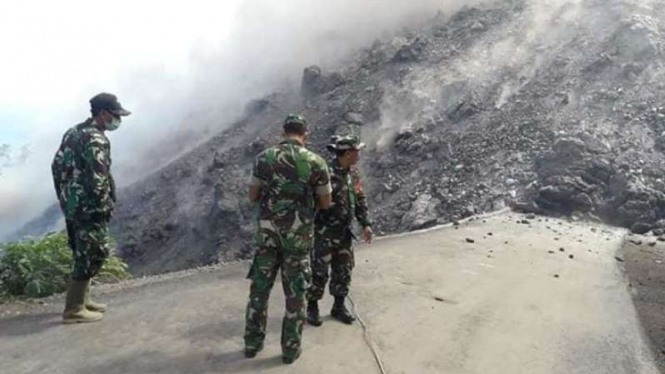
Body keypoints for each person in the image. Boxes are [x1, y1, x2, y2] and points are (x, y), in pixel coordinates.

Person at [244, 114, 332, 364]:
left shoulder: (263, 158)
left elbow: (252, 195)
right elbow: (325, 202)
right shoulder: (317, 162)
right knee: (295, 296)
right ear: (306, 133)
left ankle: (252, 343)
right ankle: (290, 350)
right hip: (298, 240)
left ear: (283, 132)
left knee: (259, 291)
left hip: (268, 238)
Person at [51, 92, 130, 323]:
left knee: (81, 250)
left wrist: (65, 197)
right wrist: (103, 205)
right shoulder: (96, 139)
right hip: (89, 207)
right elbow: (98, 178)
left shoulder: (74, 132)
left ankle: (84, 300)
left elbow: (56, 166)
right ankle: (74, 309)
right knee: (94, 252)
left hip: (73, 204)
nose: (118, 120)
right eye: (115, 115)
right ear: (104, 114)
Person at [307, 135, 373, 327]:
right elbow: (310, 202)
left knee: (343, 270)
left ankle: (339, 306)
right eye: (356, 151)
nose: (359, 154)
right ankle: (312, 307)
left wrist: (365, 223)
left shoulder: (354, 173)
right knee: (318, 272)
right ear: (348, 153)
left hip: (344, 233)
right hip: (323, 232)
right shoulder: (324, 173)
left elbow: (360, 199)